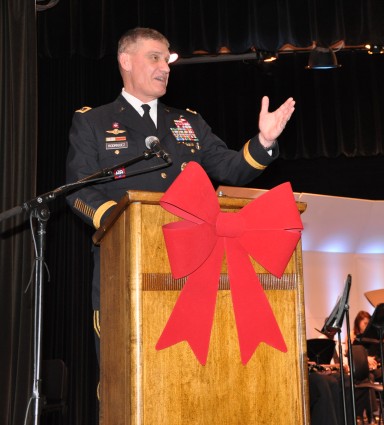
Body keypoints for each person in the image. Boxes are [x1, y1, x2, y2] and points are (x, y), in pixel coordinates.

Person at [65, 28, 296, 350]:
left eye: (168, 59)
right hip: (125, 265)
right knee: (125, 371)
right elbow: (79, 190)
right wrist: (119, 222)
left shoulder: (188, 122)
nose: (165, 67)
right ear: (126, 61)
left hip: (192, 267)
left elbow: (231, 169)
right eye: (154, 58)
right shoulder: (94, 121)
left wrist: (265, 141)